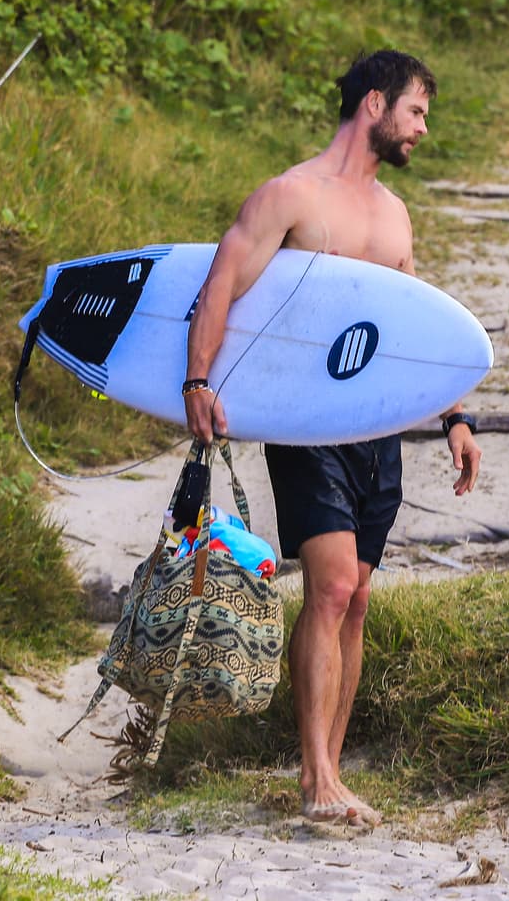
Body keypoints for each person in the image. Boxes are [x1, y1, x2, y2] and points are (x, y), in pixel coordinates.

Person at [183, 49, 482, 828]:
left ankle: (334, 774)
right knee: (333, 587)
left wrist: (454, 417)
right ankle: (314, 778)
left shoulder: (394, 216)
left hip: (375, 430)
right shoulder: (292, 196)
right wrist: (197, 380)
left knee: (358, 601)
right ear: (374, 104)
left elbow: (414, 327)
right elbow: (221, 283)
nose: (422, 129)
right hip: (307, 424)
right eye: (416, 112)